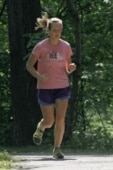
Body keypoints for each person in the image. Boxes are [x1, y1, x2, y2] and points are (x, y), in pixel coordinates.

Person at [26, 12, 76, 159]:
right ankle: (41, 128)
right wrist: (39, 76)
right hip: (45, 87)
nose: (57, 33)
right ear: (48, 30)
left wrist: (71, 67)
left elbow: (67, 67)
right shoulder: (41, 46)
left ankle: (57, 149)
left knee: (60, 119)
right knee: (49, 121)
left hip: (62, 86)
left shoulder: (66, 46)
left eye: (59, 30)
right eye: (54, 30)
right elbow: (29, 65)